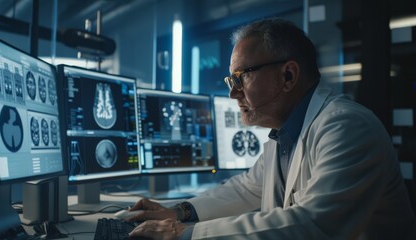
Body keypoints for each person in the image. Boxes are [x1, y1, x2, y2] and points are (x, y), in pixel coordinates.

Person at [128, 17, 416, 239]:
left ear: (288, 76)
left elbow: (314, 224)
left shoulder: (347, 127)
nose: (233, 93)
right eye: (231, 82)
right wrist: (179, 211)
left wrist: (183, 233)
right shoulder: (286, 137)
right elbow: (244, 190)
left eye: (240, 78)